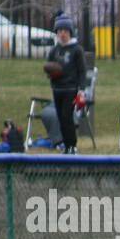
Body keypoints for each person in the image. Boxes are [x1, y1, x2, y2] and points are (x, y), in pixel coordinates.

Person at [45, 14, 86, 154]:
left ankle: (72, 145)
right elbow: (48, 68)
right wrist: (51, 74)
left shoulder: (76, 50)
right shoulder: (54, 50)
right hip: (57, 89)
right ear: (56, 33)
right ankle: (65, 145)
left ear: (70, 32)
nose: (62, 34)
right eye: (60, 31)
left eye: (65, 31)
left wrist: (81, 90)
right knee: (60, 118)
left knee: (67, 116)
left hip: (70, 88)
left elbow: (82, 71)